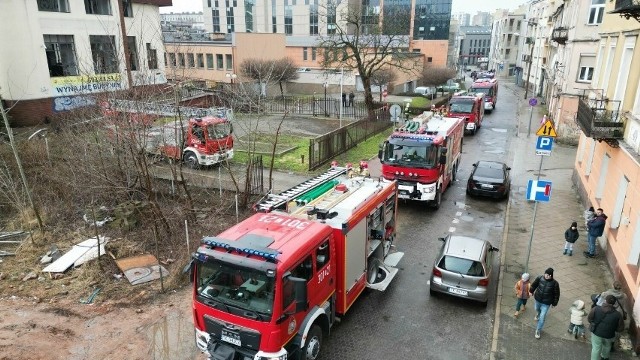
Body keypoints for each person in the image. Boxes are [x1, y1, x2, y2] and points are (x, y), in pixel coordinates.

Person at [588, 295, 624, 360]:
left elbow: (589, 319)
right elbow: (620, 328)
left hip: (596, 332)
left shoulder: (596, 309)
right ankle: (604, 357)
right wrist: (613, 328)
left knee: (596, 348)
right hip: (609, 334)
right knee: (607, 346)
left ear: (605, 301)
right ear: (614, 303)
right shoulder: (618, 314)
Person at [529, 267, 560, 339]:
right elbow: (534, 285)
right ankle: (538, 314)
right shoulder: (540, 278)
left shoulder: (555, 284)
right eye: (545, 274)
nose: (546, 275)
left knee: (542, 318)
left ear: (551, 276)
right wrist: (531, 291)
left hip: (546, 303)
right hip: (538, 299)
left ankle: (538, 330)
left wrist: (554, 303)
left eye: (548, 275)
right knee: (536, 308)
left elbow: (556, 294)